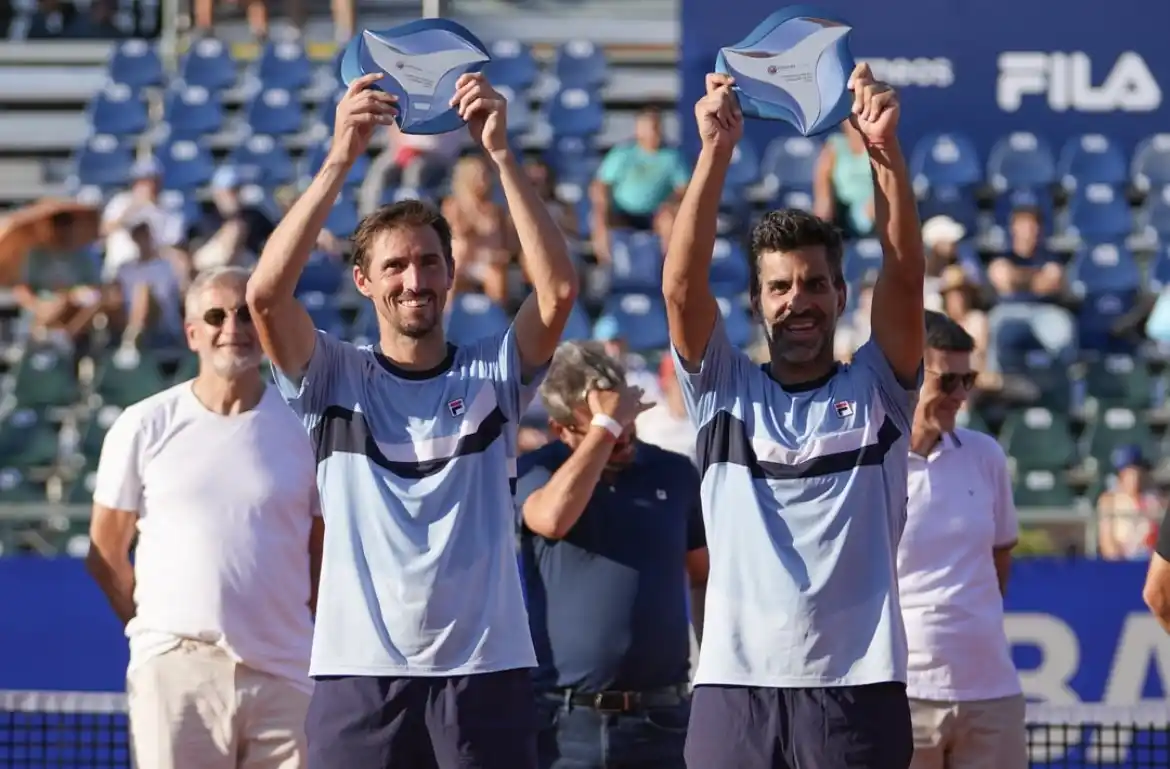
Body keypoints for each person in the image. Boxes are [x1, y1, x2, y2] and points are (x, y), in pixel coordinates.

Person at [246, 71, 579, 769]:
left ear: (451, 274)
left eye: (429, 262)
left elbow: (557, 291)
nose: (414, 279)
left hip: (485, 672)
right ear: (363, 281)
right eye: (395, 266)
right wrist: (340, 158)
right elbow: (266, 295)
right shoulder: (335, 375)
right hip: (358, 674)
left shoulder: (491, 374)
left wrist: (502, 156)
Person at [663, 65, 925, 769]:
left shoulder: (880, 389)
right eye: (779, 286)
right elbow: (681, 286)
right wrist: (715, 151)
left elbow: (904, 273)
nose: (797, 300)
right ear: (756, 301)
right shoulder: (721, 388)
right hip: (734, 690)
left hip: (856, 691)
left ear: (842, 293)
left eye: (814, 283)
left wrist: (883, 155)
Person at [85, 265, 323, 769]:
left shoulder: (307, 431)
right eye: (215, 316)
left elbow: (321, 552)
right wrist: (160, 635)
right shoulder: (143, 425)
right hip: (177, 673)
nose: (231, 327)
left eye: (245, 315)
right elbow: (106, 552)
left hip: (286, 673)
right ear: (192, 333)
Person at [516, 341, 709, 769]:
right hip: (567, 725)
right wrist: (605, 425)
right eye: (604, 426)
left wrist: (712, 674)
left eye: (626, 422)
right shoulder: (536, 471)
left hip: (663, 721)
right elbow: (551, 519)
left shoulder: (674, 473)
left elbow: (702, 574)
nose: (621, 436)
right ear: (559, 429)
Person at [897, 311, 1025, 769]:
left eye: (967, 379)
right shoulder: (869, 463)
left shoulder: (986, 455)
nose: (961, 395)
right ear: (910, 374)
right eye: (947, 381)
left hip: (992, 691)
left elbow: (999, 560)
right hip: (902, 695)